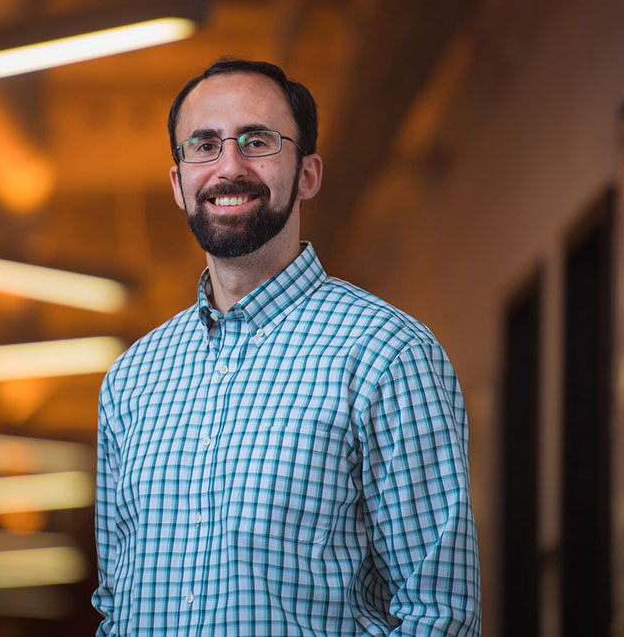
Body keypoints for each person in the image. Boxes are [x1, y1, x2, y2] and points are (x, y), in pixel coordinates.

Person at [93, 58, 481, 635]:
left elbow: (440, 616)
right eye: (203, 146)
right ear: (178, 184)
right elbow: (114, 610)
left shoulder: (388, 357)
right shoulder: (130, 381)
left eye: (257, 141)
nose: (229, 167)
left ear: (307, 174)